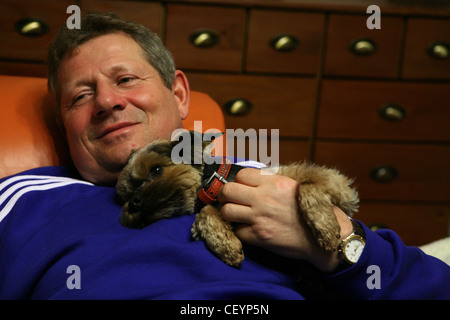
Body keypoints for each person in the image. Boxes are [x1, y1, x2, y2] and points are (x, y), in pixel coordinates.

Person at [0, 12, 449, 300]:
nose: (106, 102)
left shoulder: (261, 183)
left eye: (126, 79)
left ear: (178, 94)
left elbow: (427, 287)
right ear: (65, 124)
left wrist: (335, 246)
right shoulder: (24, 200)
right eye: (80, 96)